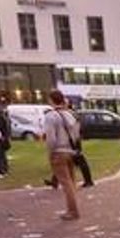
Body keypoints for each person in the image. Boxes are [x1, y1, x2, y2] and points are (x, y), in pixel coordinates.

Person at [41, 90, 81, 221]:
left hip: (58, 151)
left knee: (66, 183)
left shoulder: (50, 116)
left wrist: (50, 152)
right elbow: (76, 134)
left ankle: (73, 211)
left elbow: (51, 138)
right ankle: (73, 208)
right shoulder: (70, 115)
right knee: (71, 181)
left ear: (51, 100)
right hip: (70, 150)